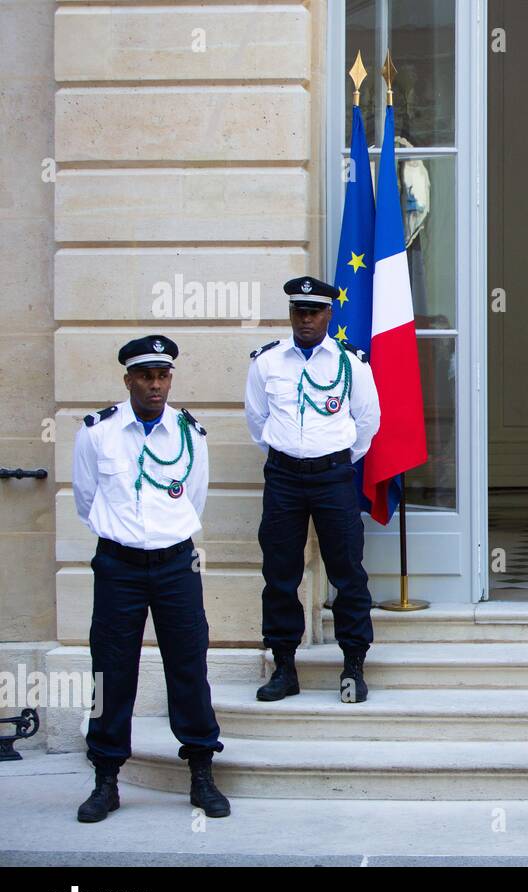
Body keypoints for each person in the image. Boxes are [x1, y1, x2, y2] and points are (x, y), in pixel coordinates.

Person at [71, 334, 229, 822]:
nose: (155, 385)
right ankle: (106, 778)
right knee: (112, 670)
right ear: (128, 379)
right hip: (118, 565)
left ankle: (201, 771)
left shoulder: (190, 434)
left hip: (176, 563)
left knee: (188, 666)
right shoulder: (98, 432)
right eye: (145, 376)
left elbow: (192, 500)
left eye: (162, 376)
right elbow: (85, 499)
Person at [245, 277, 380, 703]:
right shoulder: (267, 363)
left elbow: (366, 423)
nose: (306, 319)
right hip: (283, 477)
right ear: (290, 314)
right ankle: (285, 667)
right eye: (299, 311)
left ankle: (353, 667)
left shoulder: (351, 364)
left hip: (334, 476)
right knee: (280, 574)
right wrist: (291, 454)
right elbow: (258, 421)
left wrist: (333, 458)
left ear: (328, 315)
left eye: (315, 311)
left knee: (348, 572)